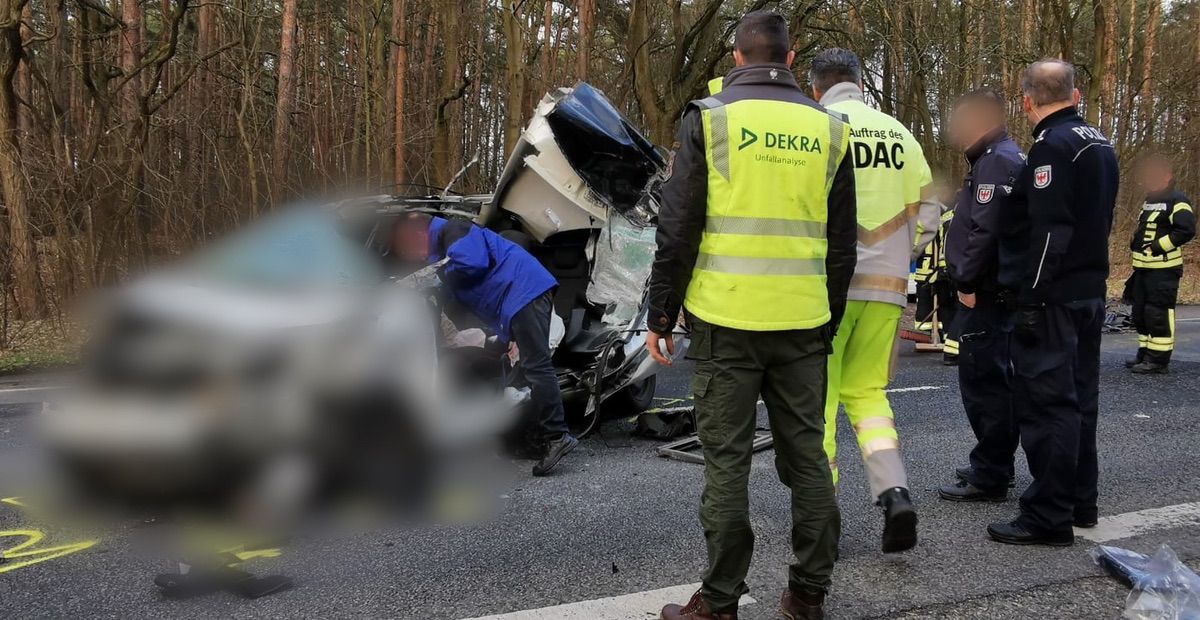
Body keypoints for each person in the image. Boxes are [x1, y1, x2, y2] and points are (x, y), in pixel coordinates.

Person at [645, 11, 857, 620]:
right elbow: (843, 242)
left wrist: (661, 314)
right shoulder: (830, 128)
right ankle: (808, 596)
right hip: (802, 322)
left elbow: (677, 228)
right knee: (808, 459)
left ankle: (719, 603)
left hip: (725, 321)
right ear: (791, 60)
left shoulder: (710, 119)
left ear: (736, 58)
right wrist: (826, 316)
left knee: (727, 466)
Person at [809, 48, 938, 554]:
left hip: (829, 288)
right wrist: (903, 253)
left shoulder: (819, 129)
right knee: (868, 394)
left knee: (820, 401)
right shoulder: (900, 134)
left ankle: (823, 519)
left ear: (816, 87)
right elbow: (930, 213)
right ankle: (893, 492)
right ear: (861, 83)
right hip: (887, 288)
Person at [991, 59, 1118, 546]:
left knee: (1048, 405)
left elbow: (1049, 230)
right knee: (1081, 399)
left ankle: (1047, 515)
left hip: (1054, 296)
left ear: (1027, 101)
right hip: (1089, 289)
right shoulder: (1098, 142)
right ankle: (1080, 499)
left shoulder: (1052, 147)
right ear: (1076, 94)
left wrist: (1031, 296)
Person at [392, 213, 577, 477]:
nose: (411, 255)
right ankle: (539, 435)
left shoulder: (454, 230)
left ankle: (558, 436)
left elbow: (473, 263)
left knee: (537, 366)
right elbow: (460, 284)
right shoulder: (446, 246)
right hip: (520, 295)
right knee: (527, 366)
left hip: (523, 292)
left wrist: (439, 275)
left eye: (408, 247)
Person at [938, 88, 1025, 502]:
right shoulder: (995, 158)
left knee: (986, 384)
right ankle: (994, 463)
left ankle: (991, 473)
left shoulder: (997, 161)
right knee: (989, 381)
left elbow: (986, 231)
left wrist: (968, 283)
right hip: (992, 289)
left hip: (987, 293)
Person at [1125, 153, 1195, 374]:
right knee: (1140, 313)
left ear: (1168, 176)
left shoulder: (1178, 200)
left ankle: (1158, 360)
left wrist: (1158, 247)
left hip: (1164, 270)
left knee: (1158, 314)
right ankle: (1144, 354)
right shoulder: (1149, 200)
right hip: (1143, 269)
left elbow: (1186, 230)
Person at [913, 205, 958, 363]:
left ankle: (941, 337)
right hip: (943, 270)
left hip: (937, 271)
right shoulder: (950, 216)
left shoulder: (942, 217)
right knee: (951, 306)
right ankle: (943, 338)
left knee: (945, 305)